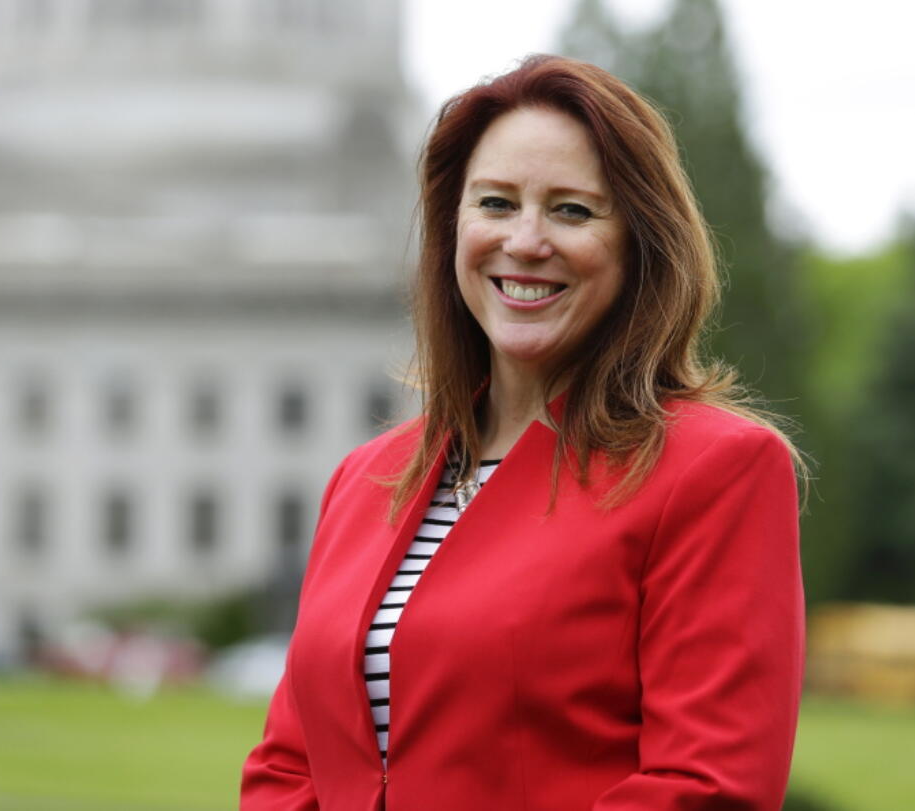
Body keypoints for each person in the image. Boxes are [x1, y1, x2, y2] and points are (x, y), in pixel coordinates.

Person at [242, 54, 803, 810]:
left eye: (572, 210)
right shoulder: (366, 478)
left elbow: (706, 788)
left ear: (639, 242)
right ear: (452, 229)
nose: (526, 240)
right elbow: (289, 766)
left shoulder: (714, 468)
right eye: (497, 203)